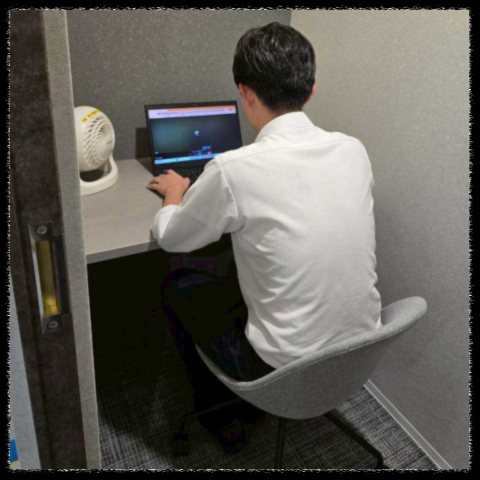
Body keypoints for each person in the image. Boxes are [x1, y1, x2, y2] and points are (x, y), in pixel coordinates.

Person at [147, 22, 382, 453]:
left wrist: (175, 193)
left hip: (282, 370)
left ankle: (220, 415)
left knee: (179, 279)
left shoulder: (234, 168)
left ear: (246, 93)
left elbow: (171, 237)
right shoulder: (353, 150)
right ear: (311, 91)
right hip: (359, 354)